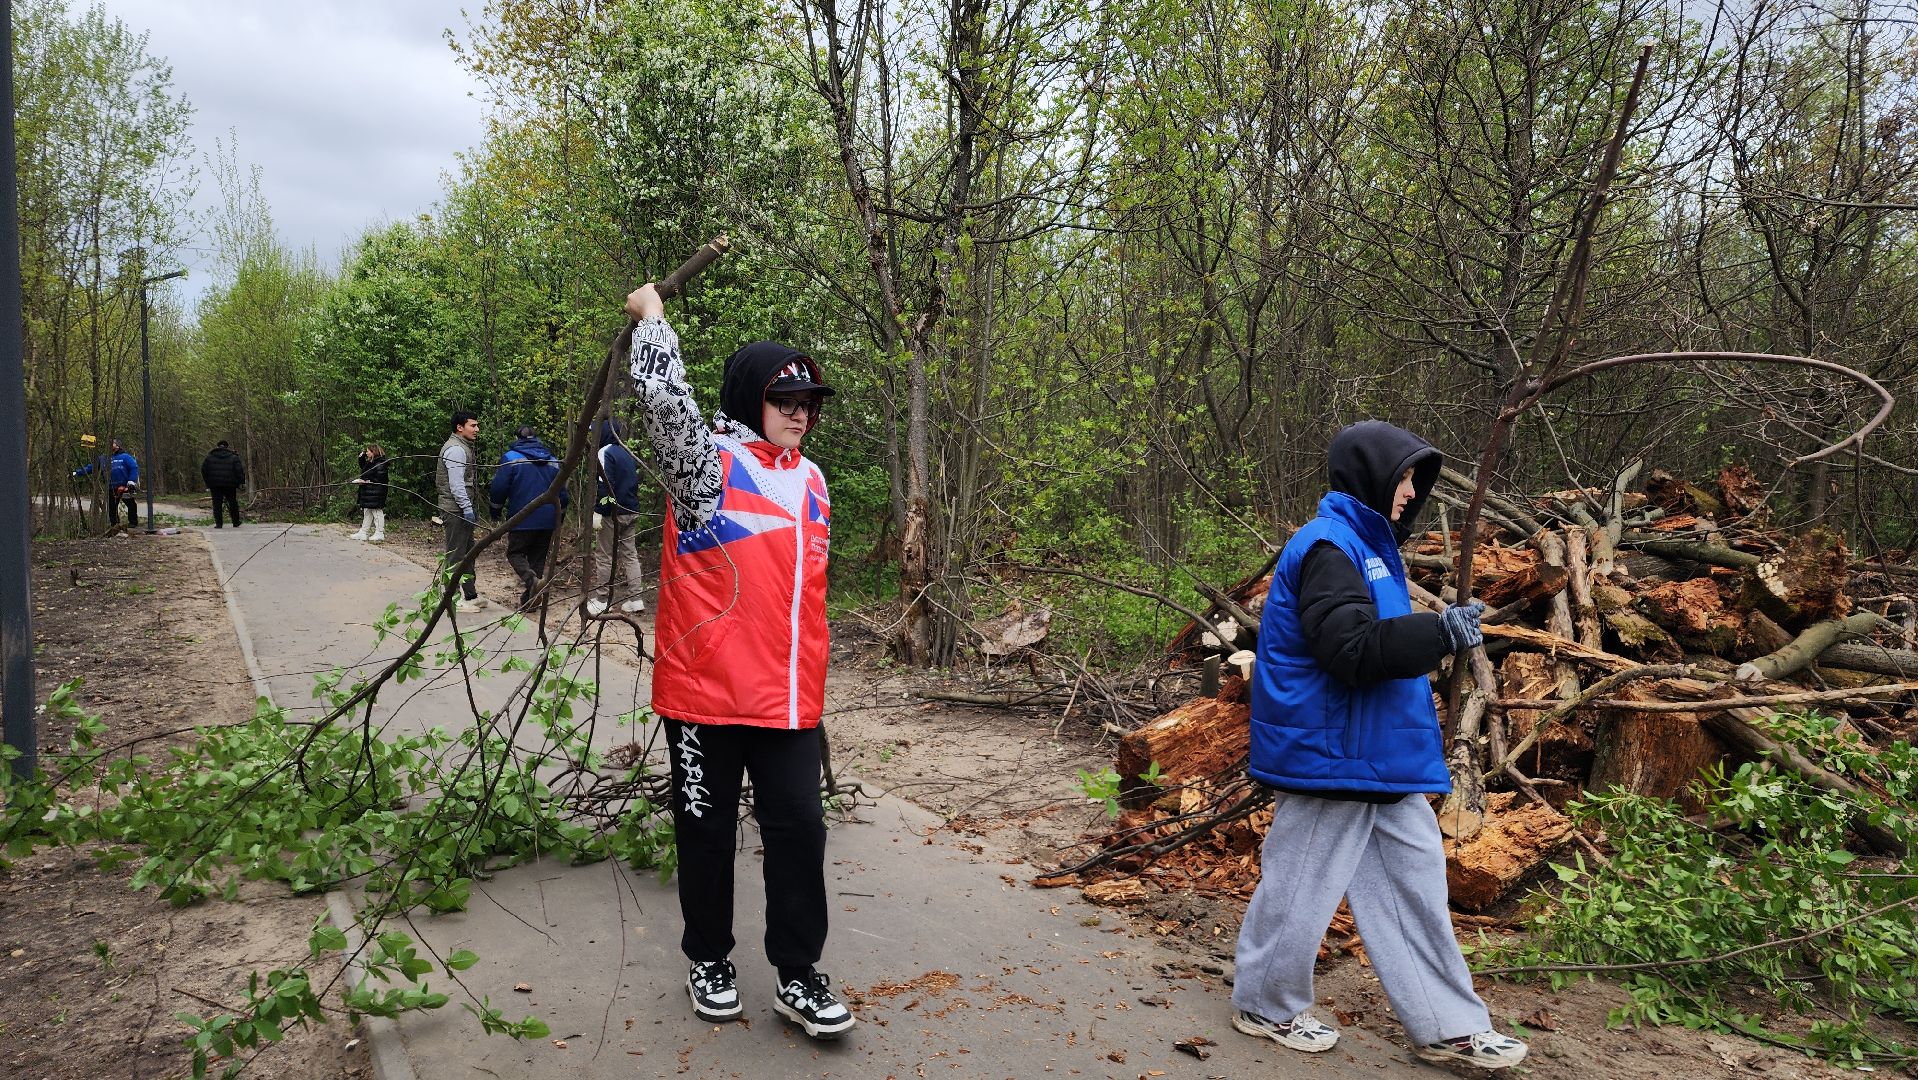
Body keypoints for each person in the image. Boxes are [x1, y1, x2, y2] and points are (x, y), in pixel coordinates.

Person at [1231, 419, 1527, 1070]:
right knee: (1300, 888)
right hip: (1332, 757)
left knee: (1415, 891)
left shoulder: (1369, 549)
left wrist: (1434, 634)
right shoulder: (1329, 549)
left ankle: (1447, 1026)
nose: (1410, 491)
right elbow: (1351, 651)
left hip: (1378, 757)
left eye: (1416, 481)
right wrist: (1439, 634)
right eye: (1403, 477)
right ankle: (1262, 1002)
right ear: (1369, 477)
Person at [622, 282, 851, 1040]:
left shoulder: (813, 482)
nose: (800, 412)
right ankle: (708, 958)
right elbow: (663, 400)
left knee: (800, 835)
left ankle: (797, 973)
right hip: (703, 699)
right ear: (751, 399)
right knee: (707, 834)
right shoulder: (708, 469)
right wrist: (653, 320)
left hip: (787, 702)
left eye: (809, 402)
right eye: (786, 399)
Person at [487, 424, 569, 610]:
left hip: (522, 517)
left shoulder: (511, 458)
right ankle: (530, 601)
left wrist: (495, 511)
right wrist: (560, 517)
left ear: (518, 438)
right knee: (537, 559)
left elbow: (499, 488)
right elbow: (563, 494)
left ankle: (531, 579)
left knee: (514, 553)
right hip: (547, 519)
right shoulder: (553, 461)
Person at [588, 416, 646, 616]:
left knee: (604, 555)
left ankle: (602, 600)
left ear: (603, 433)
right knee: (630, 554)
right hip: (631, 510)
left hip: (613, 513)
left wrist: (599, 511)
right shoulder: (625, 452)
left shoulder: (604, 452)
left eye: (595, 431)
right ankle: (636, 599)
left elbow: (607, 485)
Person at [435, 410, 485, 613]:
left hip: (461, 509)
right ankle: (452, 598)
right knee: (456, 555)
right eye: (473, 425)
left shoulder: (462, 446)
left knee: (467, 552)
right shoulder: (456, 449)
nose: (477, 429)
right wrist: (466, 508)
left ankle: (470, 595)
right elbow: (457, 485)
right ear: (460, 427)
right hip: (455, 510)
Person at [73, 439, 140, 528]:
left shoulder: (125, 457)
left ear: (118, 445)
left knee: (130, 504)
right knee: (112, 507)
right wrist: (77, 473)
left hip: (124, 487)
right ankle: (115, 524)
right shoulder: (103, 459)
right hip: (111, 487)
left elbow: (133, 467)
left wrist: (131, 481)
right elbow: (91, 468)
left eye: (112, 443)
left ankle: (133, 523)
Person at [200, 440, 246, 528]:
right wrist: (241, 482)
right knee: (232, 503)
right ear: (227, 447)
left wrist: (208, 482)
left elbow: (203, 470)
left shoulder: (209, 457)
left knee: (217, 504)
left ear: (217, 446)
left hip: (215, 484)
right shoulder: (233, 457)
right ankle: (235, 522)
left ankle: (219, 524)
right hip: (230, 484)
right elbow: (239, 470)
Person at [350, 444, 390, 542]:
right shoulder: (371, 463)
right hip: (368, 491)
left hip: (376, 492)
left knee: (377, 512)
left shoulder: (380, 463)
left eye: (368, 451)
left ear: (373, 452)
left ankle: (379, 533)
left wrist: (366, 481)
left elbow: (380, 479)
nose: (366, 452)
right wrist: (361, 457)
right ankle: (363, 532)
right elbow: (364, 470)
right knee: (367, 512)